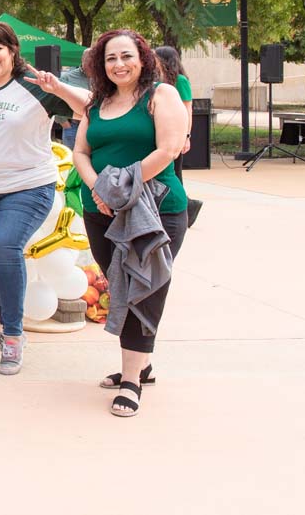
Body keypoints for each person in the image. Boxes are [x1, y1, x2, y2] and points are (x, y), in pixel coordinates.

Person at [0, 22, 90, 375]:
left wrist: (57, 87)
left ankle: (14, 336)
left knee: (4, 246)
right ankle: (6, 325)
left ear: (12, 51)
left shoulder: (34, 87)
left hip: (28, 188)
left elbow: (88, 108)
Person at [72, 30, 188, 417]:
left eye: (126, 56)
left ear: (142, 57)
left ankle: (131, 380)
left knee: (143, 286)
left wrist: (124, 186)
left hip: (156, 210)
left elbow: (169, 148)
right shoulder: (97, 103)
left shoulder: (162, 95)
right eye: (110, 59)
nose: (119, 64)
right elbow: (81, 152)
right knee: (120, 284)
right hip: (101, 210)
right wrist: (100, 189)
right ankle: (143, 362)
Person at [155, 46, 202, 227]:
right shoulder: (158, 81)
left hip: (176, 135)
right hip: (162, 134)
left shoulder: (180, 81)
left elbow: (187, 109)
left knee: (175, 174)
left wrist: (186, 136)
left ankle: (187, 208)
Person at [58, 50, 91, 150]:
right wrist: (65, 124)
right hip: (73, 127)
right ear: (83, 60)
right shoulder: (67, 77)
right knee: (72, 159)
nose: (93, 65)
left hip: (95, 126)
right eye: (89, 61)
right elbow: (56, 101)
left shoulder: (102, 78)